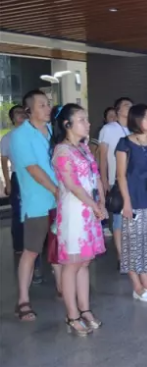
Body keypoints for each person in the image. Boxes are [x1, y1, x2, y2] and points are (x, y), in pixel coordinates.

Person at [50, 103, 107, 335]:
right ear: (67, 124)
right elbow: (72, 185)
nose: (88, 123)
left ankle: (85, 310)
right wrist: (94, 205)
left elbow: (96, 177)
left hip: (90, 212)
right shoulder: (62, 151)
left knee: (84, 262)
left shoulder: (83, 147)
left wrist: (101, 201)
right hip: (74, 213)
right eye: (82, 119)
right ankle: (72, 315)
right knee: (71, 264)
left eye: (86, 119)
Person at [10, 90, 61, 321]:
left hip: (58, 199)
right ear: (29, 109)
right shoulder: (20, 135)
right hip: (37, 202)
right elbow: (32, 168)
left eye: (48, 104)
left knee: (58, 246)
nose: (48, 108)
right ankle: (23, 300)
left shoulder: (51, 130)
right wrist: (56, 190)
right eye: (42, 105)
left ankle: (62, 288)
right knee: (31, 251)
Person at [116, 104, 147, 302]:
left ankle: (146, 284)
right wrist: (126, 203)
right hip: (134, 197)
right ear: (136, 120)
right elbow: (121, 175)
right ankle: (136, 287)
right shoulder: (125, 144)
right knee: (133, 243)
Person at [98, 97, 133, 266]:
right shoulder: (108, 128)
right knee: (119, 219)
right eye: (126, 105)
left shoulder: (135, 128)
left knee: (133, 219)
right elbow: (102, 156)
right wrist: (104, 179)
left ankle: (132, 253)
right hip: (116, 180)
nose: (130, 107)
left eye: (131, 105)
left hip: (135, 181)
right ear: (118, 110)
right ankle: (121, 256)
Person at [1, 104, 27, 253]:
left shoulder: (34, 134)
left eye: (23, 111)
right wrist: (8, 183)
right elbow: (4, 162)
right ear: (12, 118)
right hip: (18, 176)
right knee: (18, 211)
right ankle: (19, 244)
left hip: (36, 176)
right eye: (17, 112)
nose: (21, 114)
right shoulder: (7, 138)